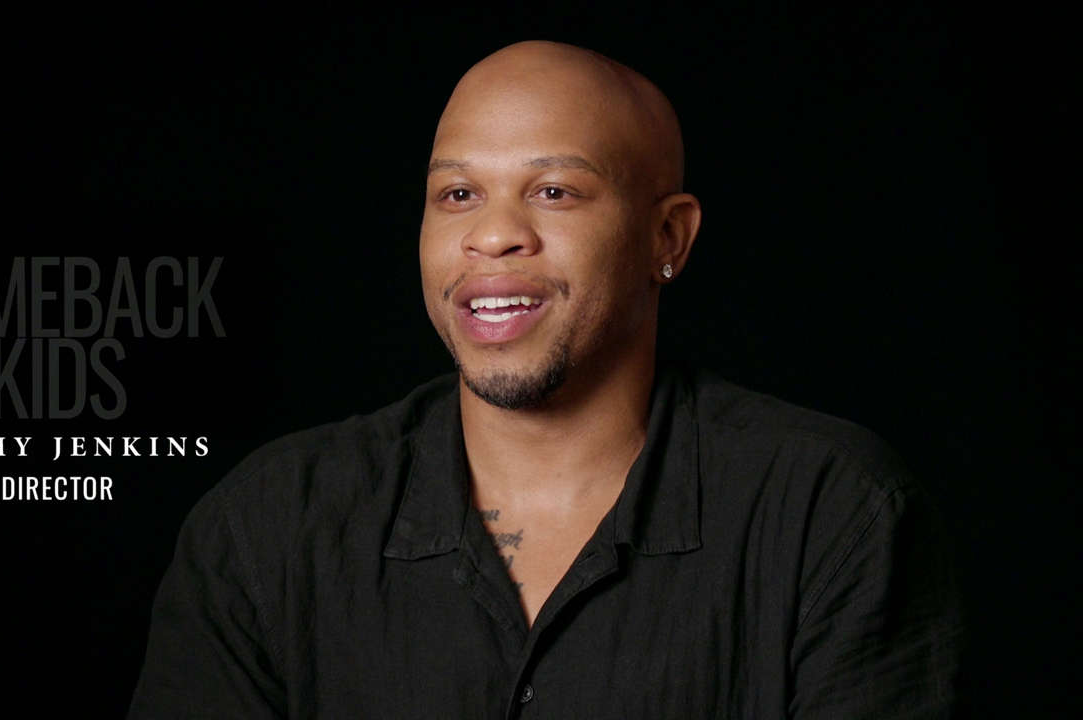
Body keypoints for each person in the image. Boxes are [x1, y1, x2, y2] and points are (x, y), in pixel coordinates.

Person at [128, 40, 963, 719]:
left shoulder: (832, 514)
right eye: (458, 193)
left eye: (555, 191)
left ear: (667, 239)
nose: (493, 235)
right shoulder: (266, 530)